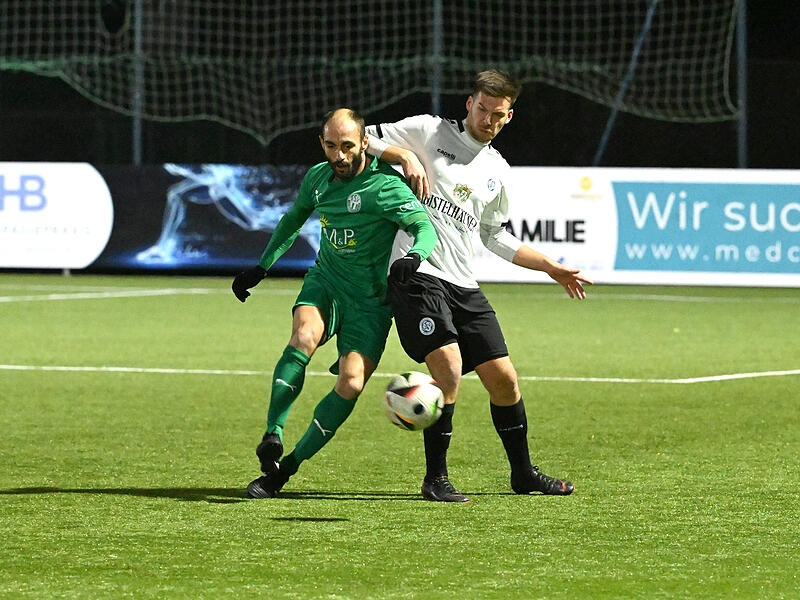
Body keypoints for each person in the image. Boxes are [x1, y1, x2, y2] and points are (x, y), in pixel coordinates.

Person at [365, 69, 592, 502]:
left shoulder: (497, 171)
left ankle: (522, 474)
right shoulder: (427, 130)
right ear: (470, 103)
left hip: (463, 284)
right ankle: (435, 479)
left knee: (504, 379)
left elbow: (495, 236)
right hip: (418, 273)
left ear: (508, 117)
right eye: (482, 109)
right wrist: (403, 156)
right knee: (448, 369)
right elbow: (361, 137)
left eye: (497, 114)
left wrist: (550, 266)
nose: (487, 119)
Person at [232, 108, 437, 499]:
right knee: (304, 336)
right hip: (326, 282)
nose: (339, 156)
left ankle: (284, 470)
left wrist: (414, 257)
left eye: (346, 146)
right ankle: (272, 435)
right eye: (330, 146)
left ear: (364, 143)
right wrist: (261, 267)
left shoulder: (386, 187)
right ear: (322, 143)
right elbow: (293, 220)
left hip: (371, 303)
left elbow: (423, 227)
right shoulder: (318, 178)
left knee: (352, 381)